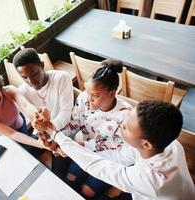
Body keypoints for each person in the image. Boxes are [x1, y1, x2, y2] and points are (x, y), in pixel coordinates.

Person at [38, 100, 195, 200]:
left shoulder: (151, 179)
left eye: (126, 127)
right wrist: (72, 147)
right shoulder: (171, 144)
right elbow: (117, 156)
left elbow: (98, 167)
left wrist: (55, 134)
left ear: (146, 144)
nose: (121, 124)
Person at [35, 59, 132, 199]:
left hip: (108, 160)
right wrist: (56, 139)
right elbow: (74, 123)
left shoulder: (125, 116)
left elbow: (107, 146)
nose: (89, 99)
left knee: (88, 191)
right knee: (70, 178)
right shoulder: (84, 98)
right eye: (88, 92)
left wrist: (70, 146)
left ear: (111, 94)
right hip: (83, 150)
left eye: (96, 95)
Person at [13, 48, 74, 178]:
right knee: (24, 159)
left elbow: (66, 113)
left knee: (58, 175)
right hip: (43, 133)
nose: (31, 81)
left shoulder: (61, 78)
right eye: (24, 77)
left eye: (34, 74)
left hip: (64, 131)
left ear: (42, 65)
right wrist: (43, 137)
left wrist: (49, 133)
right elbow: (33, 120)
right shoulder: (23, 91)